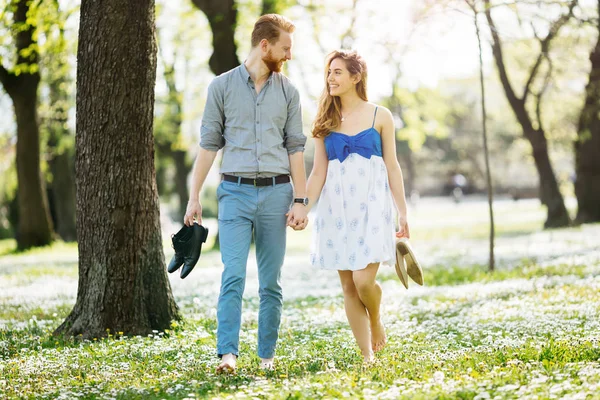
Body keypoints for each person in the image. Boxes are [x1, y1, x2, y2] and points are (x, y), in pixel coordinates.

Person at [184, 14, 309, 373]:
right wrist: (194, 197)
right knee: (233, 274)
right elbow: (208, 146)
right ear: (264, 45)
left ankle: (266, 357)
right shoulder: (220, 88)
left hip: (276, 194)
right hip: (234, 194)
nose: (289, 56)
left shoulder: (289, 92)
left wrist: (300, 200)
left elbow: (295, 149)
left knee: (271, 282)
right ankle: (228, 355)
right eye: (285, 48)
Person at [304, 50, 410, 363]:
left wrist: (403, 211)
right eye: (329, 72)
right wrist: (302, 207)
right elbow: (318, 172)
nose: (330, 78)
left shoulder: (381, 116)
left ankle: (376, 321)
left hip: (373, 207)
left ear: (356, 76)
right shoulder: (324, 120)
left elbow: (392, 166)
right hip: (337, 210)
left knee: (365, 281)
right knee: (349, 286)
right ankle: (367, 356)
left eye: (337, 72)